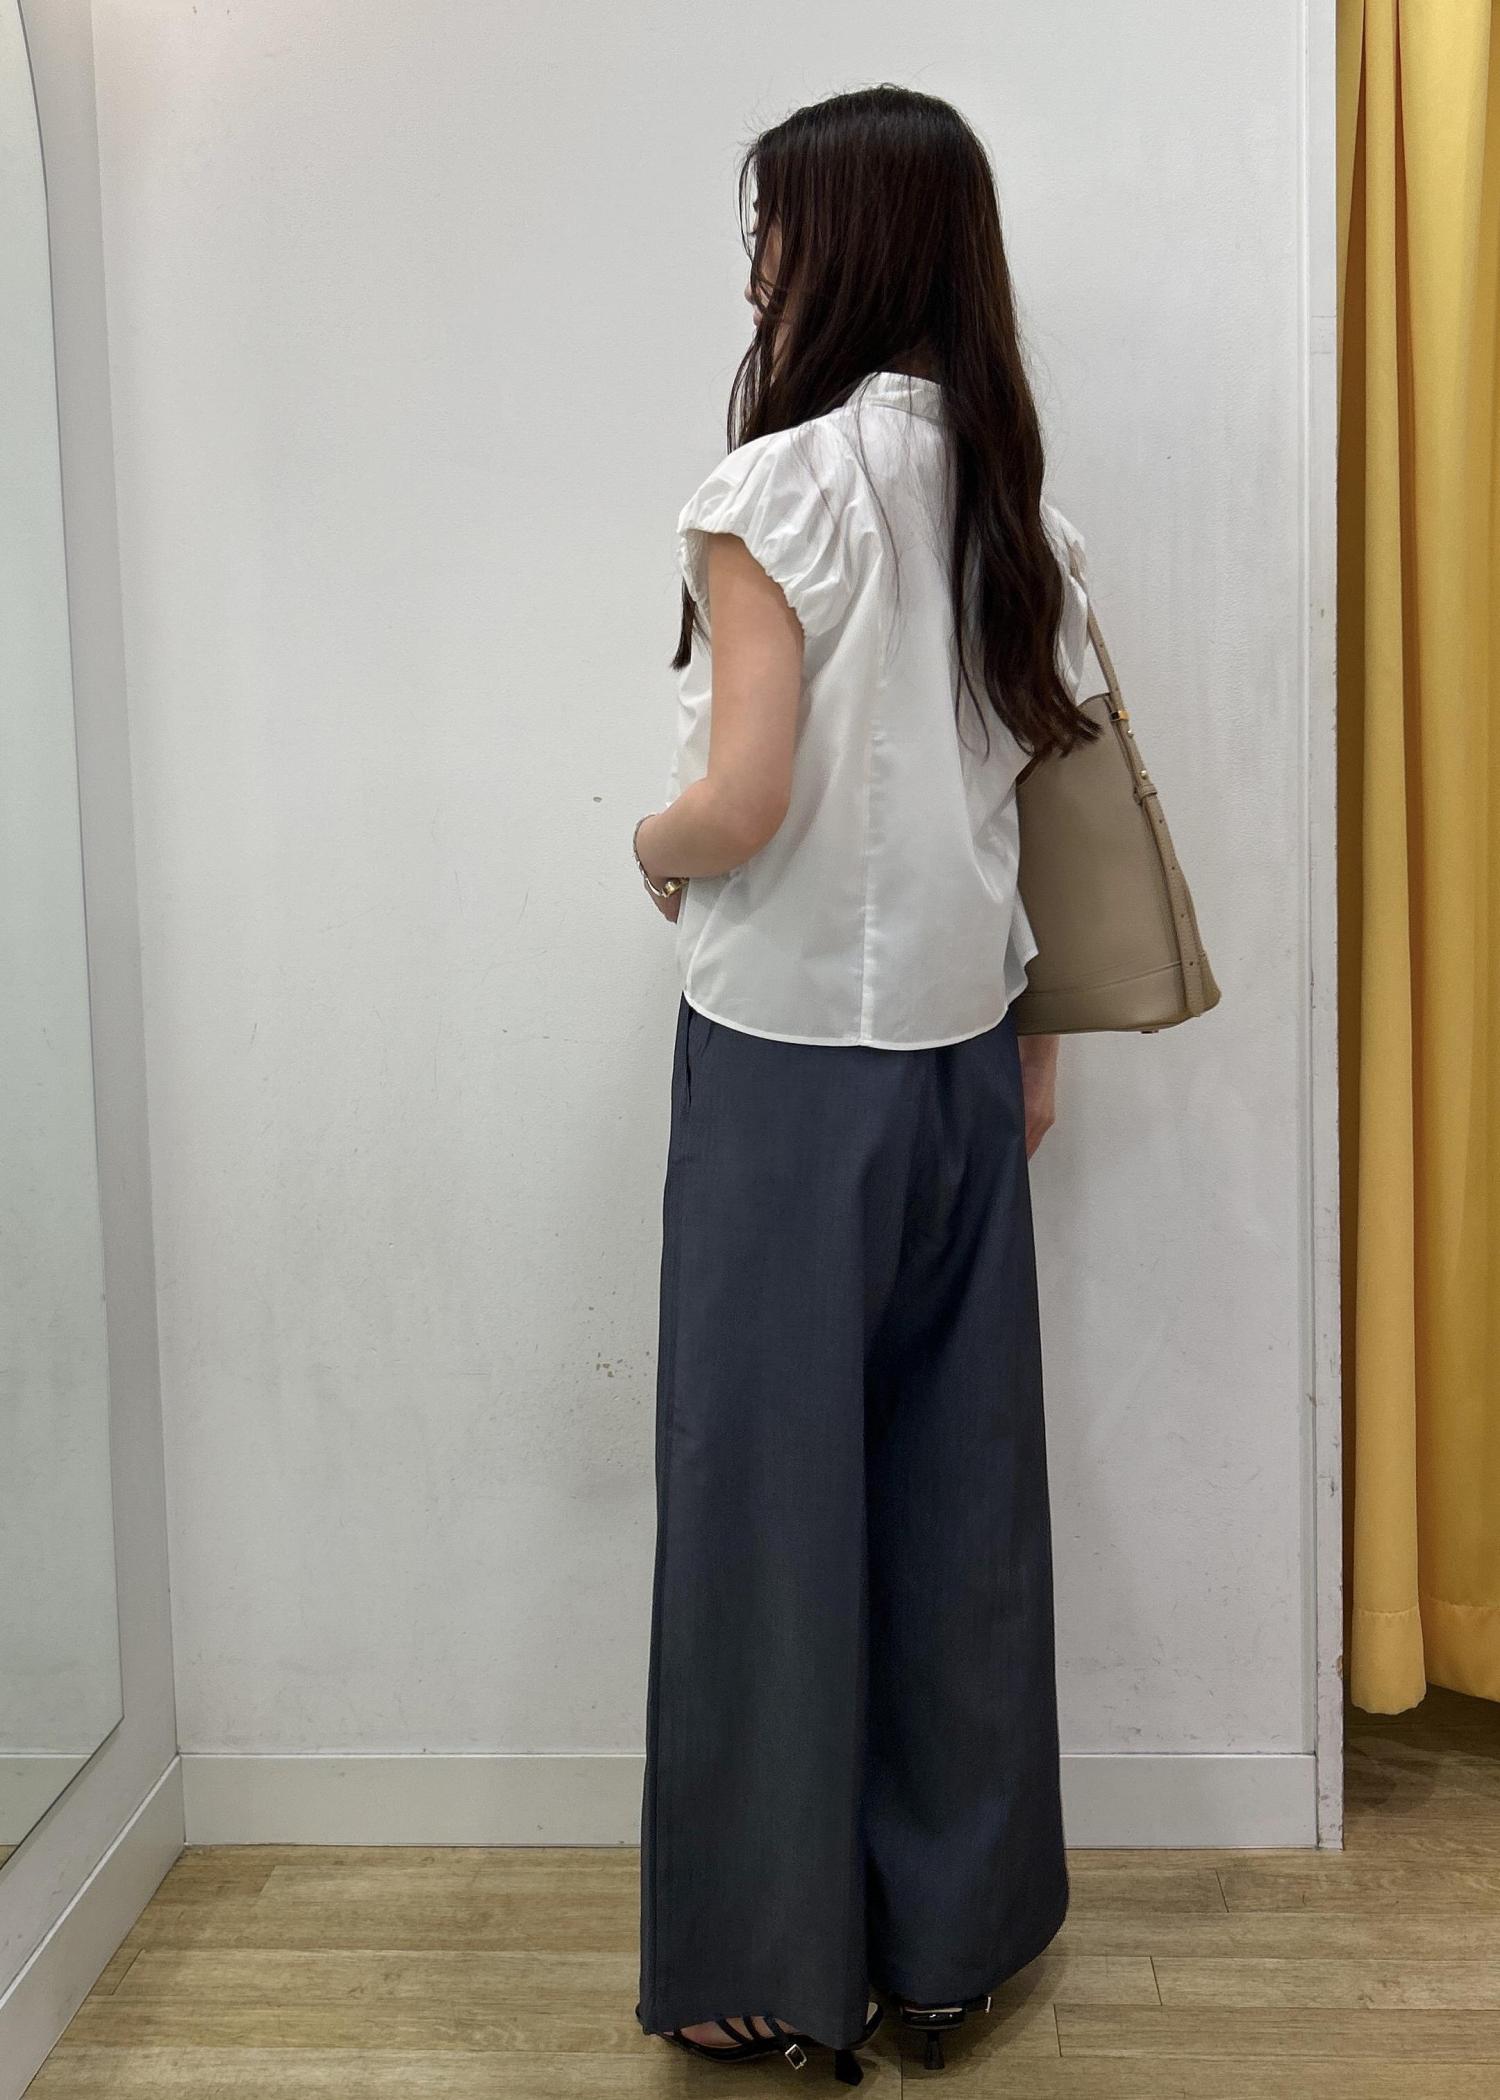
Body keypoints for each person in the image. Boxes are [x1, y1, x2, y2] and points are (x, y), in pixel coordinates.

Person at [629, 83, 1095, 2087]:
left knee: (763, 1511)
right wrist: (1034, 1045)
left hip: (787, 1073)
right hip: (971, 1070)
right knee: (955, 1503)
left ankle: (759, 1966)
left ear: (837, 243)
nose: (756, 261)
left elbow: (739, 802)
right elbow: (1038, 811)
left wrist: (643, 843)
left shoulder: (780, 488)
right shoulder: (1018, 509)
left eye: (772, 224)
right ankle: (947, 1946)